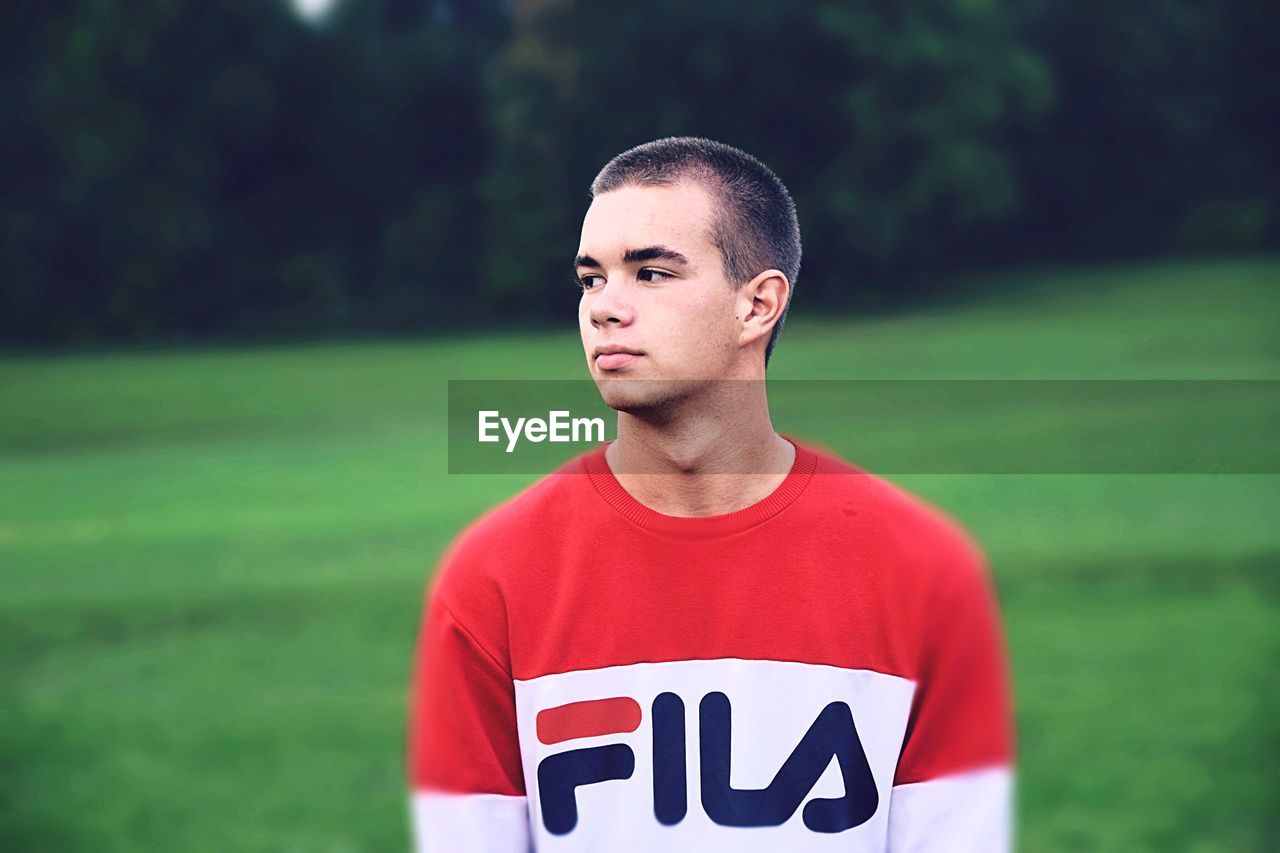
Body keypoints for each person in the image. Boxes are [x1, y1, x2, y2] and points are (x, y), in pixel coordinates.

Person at [407, 137, 1014, 851]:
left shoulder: (925, 571)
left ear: (757, 305)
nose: (605, 307)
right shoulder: (491, 579)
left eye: (651, 272)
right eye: (591, 278)